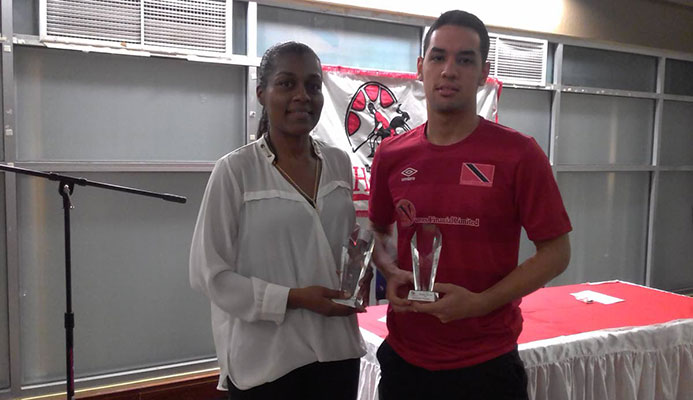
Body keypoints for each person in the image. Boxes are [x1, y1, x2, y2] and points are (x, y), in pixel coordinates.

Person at [368, 10, 572, 400]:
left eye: (465, 60)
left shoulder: (518, 153)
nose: (449, 71)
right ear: (420, 67)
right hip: (405, 360)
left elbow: (557, 252)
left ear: (483, 73)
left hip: (486, 365)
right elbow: (378, 230)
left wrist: (481, 304)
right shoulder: (392, 154)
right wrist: (390, 269)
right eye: (438, 57)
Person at [189, 41, 366, 400]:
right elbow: (210, 274)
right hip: (267, 364)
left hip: (336, 352)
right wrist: (295, 298)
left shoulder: (338, 163)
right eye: (287, 84)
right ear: (261, 93)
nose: (303, 95)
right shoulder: (236, 171)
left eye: (313, 85)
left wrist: (358, 277)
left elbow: (343, 247)